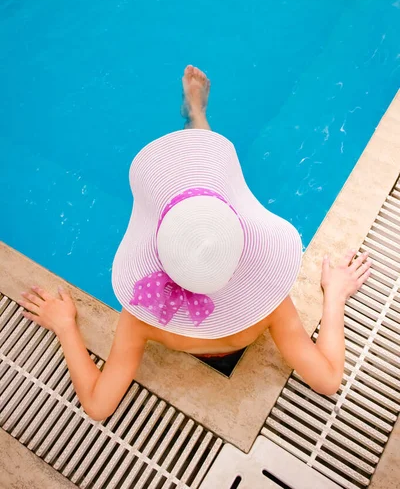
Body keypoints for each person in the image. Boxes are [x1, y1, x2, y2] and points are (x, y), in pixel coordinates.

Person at [18, 65, 371, 421]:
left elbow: (97, 406)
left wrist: (65, 326)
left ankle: (196, 115)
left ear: (157, 246)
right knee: (210, 185)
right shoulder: (268, 301)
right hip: (245, 311)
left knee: (202, 192)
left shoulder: (145, 311)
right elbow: (328, 380)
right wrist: (335, 294)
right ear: (244, 245)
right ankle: (198, 115)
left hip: (169, 309)